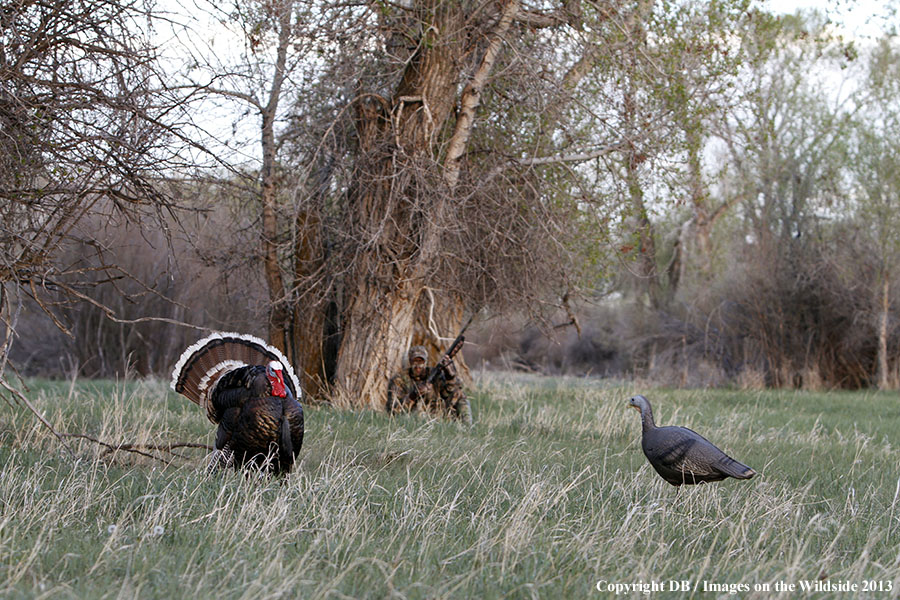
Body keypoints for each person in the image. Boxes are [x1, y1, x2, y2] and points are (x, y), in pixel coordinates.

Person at [387, 345, 472, 424]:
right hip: (414, 419)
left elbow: (448, 392)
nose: (418, 366)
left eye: (421, 361)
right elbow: (393, 410)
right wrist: (414, 395)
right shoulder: (399, 379)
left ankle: (467, 427)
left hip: (438, 416)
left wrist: (450, 376)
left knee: (459, 394)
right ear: (410, 361)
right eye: (415, 361)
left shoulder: (434, 374)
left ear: (426, 362)